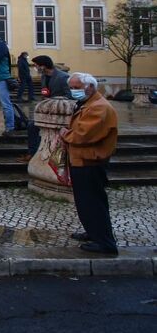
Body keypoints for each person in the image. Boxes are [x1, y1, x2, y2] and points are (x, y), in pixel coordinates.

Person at [60, 73, 119, 255]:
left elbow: (84, 134)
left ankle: (105, 243)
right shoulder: (89, 104)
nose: (73, 91)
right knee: (86, 201)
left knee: (92, 201)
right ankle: (94, 233)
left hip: (90, 161)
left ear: (90, 87)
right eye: (72, 87)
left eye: (77, 87)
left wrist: (65, 134)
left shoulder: (98, 107)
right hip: (83, 159)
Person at [19, 55, 73, 163]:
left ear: (43, 66)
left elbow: (70, 96)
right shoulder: (44, 76)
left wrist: (55, 101)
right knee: (31, 125)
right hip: (48, 110)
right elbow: (45, 91)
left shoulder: (63, 77)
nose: (35, 67)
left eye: (36, 65)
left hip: (61, 112)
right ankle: (32, 153)